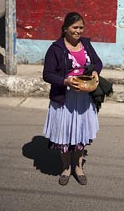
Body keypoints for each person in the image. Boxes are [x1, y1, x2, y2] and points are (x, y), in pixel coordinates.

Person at [43, 12, 103, 186]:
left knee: (80, 133)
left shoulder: (86, 44)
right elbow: (47, 74)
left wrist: (94, 71)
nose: (78, 31)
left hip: (84, 97)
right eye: (74, 27)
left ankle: (78, 167)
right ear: (65, 29)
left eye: (81, 27)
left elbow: (98, 62)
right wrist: (65, 81)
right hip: (64, 98)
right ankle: (66, 168)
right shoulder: (56, 48)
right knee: (64, 134)